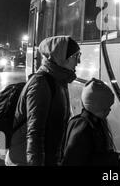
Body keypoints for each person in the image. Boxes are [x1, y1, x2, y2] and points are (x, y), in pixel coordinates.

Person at [5, 36, 80, 166]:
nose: (78, 61)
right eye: (76, 56)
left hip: (47, 158)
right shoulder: (41, 84)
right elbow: (34, 133)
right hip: (24, 160)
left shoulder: (59, 80)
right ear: (61, 57)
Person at [61, 79, 120, 166]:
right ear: (97, 107)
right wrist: (114, 159)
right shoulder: (83, 127)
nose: (110, 110)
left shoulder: (90, 123)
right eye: (106, 107)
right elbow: (78, 161)